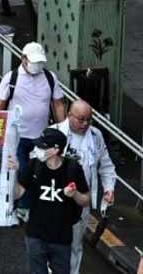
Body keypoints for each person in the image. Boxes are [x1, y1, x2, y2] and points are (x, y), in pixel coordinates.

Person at [0, 41, 66, 219]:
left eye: (40, 62)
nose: (37, 65)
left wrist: (63, 128)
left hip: (40, 137)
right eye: (34, 61)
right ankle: (16, 205)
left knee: (34, 172)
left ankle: (24, 206)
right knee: (19, 170)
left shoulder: (50, 78)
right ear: (23, 59)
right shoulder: (11, 78)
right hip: (16, 136)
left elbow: (57, 103)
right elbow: (0, 106)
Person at [11, 127, 90, 274]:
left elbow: (85, 200)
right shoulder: (33, 165)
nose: (37, 149)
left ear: (55, 149)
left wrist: (75, 194)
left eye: (42, 146)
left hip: (62, 237)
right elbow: (17, 193)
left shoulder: (73, 169)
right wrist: (13, 173)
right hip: (35, 234)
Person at [52, 100, 116, 274]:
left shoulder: (95, 136)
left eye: (89, 119)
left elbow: (106, 165)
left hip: (81, 201)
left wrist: (109, 188)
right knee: (53, 245)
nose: (85, 124)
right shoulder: (54, 133)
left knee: (75, 246)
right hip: (54, 201)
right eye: (81, 119)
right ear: (69, 115)